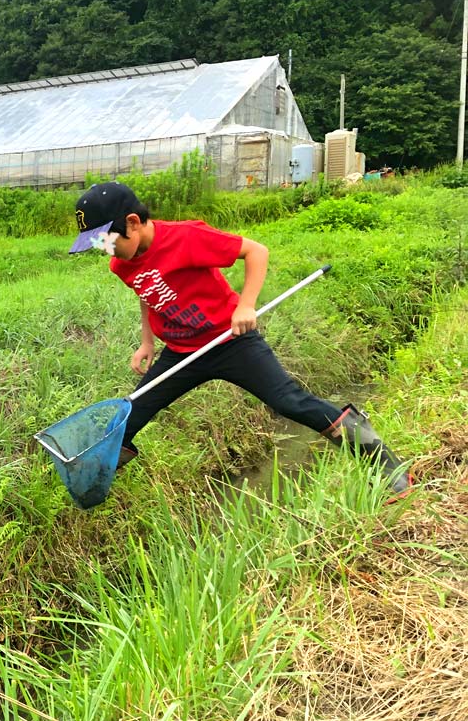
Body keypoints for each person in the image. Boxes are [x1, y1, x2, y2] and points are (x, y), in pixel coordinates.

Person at [69, 181, 410, 493]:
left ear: (132, 222)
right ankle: (92, 489)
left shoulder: (186, 237)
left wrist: (245, 306)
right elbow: (146, 294)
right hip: (181, 352)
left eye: (105, 240)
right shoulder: (122, 264)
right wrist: (147, 342)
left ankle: (391, 470)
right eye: (96, 244)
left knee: (289, 402)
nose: (104, 251)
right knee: (129, 416)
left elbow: (256, 251)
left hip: (230, 341)